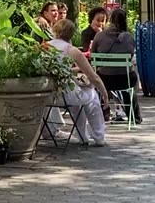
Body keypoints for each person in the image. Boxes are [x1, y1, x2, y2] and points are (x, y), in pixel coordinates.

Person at [47, 19, 111, 147]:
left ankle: (82, 136)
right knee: (91, 95)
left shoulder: (44, 47)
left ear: (55, 30)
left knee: (78, 99)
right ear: (71, 34)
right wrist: (105, 94)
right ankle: (99, 136)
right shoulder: (71, 50)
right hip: (66, 95)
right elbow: (94, 77)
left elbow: (58, 70)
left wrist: (74, 69)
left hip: (48, 95)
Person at [89, 8, 142, 124]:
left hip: (105, 80)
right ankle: (134, 116)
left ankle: (103, 114)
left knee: (101, 75)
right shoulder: (129, 37)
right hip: (125, 80)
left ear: (110, 20)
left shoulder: (100, 36)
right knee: (129, 78)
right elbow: (131, 54)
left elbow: (93, 57)